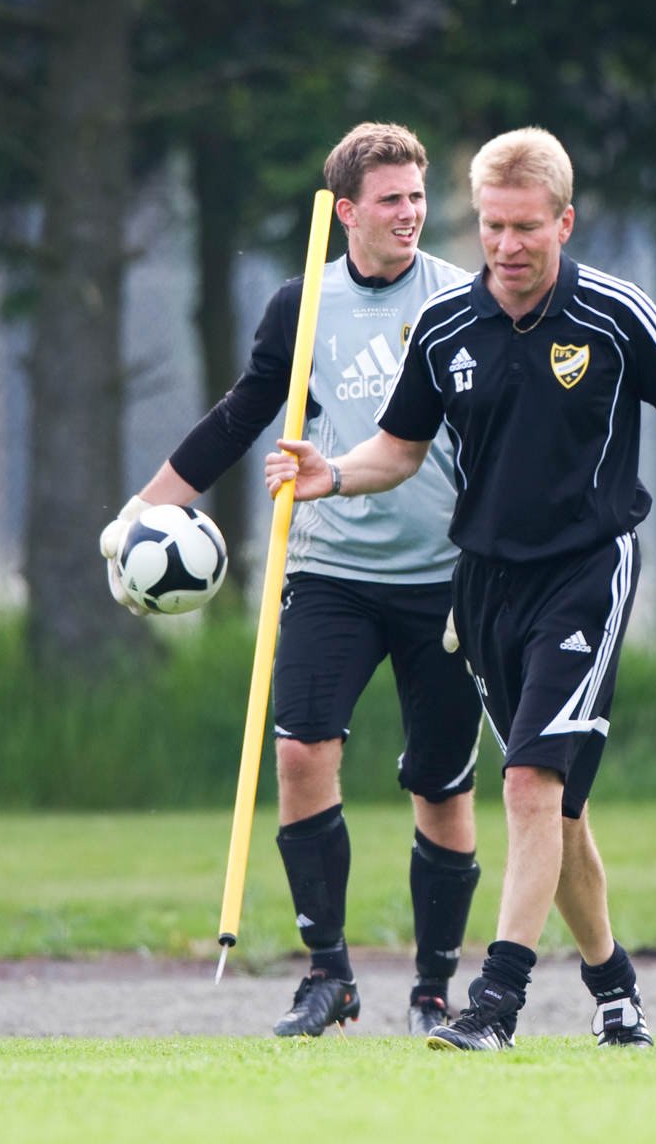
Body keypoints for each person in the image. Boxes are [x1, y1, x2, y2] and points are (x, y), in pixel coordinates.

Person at [265, 126, 656, 1052]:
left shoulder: (615, 314)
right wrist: (332, 474)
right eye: (493, 226)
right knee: (558, 809)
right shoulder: (444, 327)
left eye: (526, 228)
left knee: (528, 783)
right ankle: (615, 990)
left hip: (586, 574)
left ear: (564, 223)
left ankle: (494, 1004)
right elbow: (399, 450)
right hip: (484, 589)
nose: (507, 246)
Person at [98, 122, 485, 1039]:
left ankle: (433, 989)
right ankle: (328, 975)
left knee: (441, 788)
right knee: (302, 754)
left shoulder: (458, 299)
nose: (409, 213)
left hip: (444, 578)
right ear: (345, 210)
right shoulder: (302, 304)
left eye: (417, 197)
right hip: (330, 568)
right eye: (389, 200)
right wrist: (141, 510)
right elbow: (242, 415)